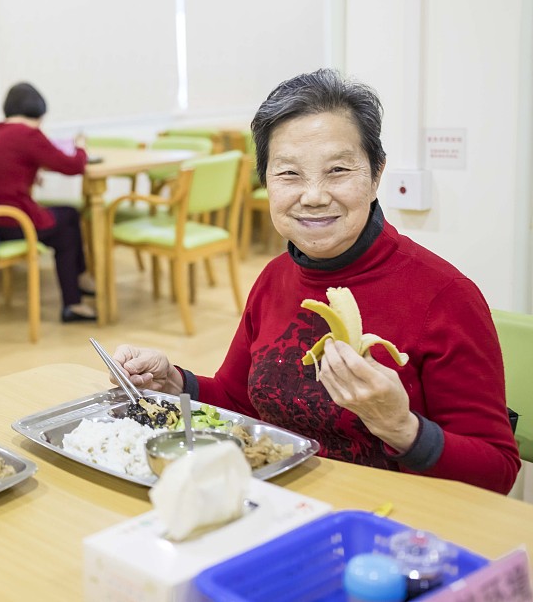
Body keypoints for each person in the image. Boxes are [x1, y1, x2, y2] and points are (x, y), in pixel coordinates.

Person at [111, 68, 520, 494]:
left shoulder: (446, 297)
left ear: (376, 174)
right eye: (288, 174)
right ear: (266, 181)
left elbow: (497, 471)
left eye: (338, 170)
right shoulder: (274, 278)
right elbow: (240, 401)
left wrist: (401, 428)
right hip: (276, 506)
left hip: (390, 525)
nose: (313, 195)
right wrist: (175, 384)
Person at [0, 82, 97, 322]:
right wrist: (80, 147)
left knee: (66, 221)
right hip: (14, 222)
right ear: (39, 113)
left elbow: (4, 167)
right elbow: (73, 166)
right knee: (69, 221)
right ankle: (74, 297)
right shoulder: (28, 134)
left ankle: (78, 290)